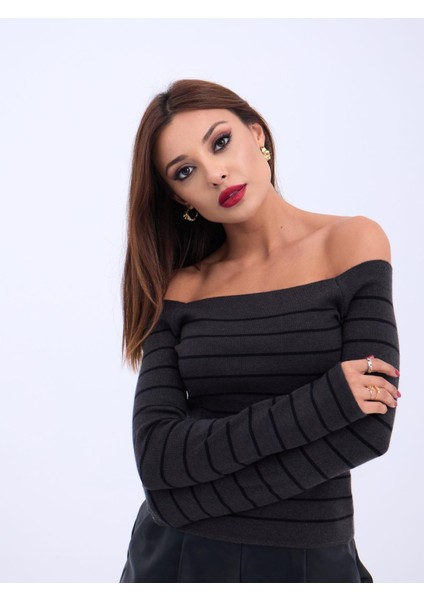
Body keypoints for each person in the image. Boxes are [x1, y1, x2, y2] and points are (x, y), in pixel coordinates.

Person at [118, 79, 400, 583]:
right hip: (177, 558)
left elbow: (370, 429)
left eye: (220, 142)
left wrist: (185, 502)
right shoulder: (182, 288)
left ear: (257, 135)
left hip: (310, 560)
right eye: (185, 171)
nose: (214, 173)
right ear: (179, 197)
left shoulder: (352, 243)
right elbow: (158, 456)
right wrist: (327, 400)